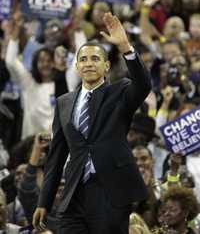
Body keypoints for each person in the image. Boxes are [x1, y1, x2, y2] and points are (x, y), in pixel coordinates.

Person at [32, 12, 151, 234]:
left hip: (110, 192)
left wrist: (126, 46)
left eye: (95, 59)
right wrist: (44, 201)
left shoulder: (121, 91)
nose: (88, 64)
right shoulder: (64, 103)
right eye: (83, 59)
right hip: (73, 193)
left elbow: (143, 85)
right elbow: (56, 157)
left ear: (106, 66)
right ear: (77, 67)